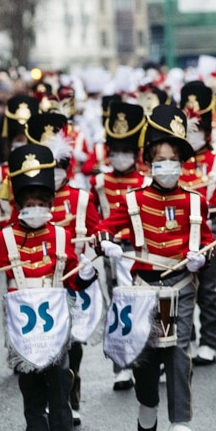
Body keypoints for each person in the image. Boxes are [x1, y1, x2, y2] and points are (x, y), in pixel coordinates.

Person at [99, 105, 214, 431]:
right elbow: (105, 227)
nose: (167, 165)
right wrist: (107, 243)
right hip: (144, 287)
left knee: (177, 351)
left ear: (182, 162)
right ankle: (148, 402)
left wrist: (200, 258)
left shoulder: (195, 202)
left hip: (179, 285)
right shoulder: (132, 199)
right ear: (149, 162)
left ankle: (180, 421)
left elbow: (207, 242)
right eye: (160, 158)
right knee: (146, 351)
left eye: (173, 158)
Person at [0, 143, 96, 431]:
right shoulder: (3, 238)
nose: (35, 209)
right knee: (29, 379)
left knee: (60, 376)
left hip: (56, 318)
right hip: (22, 323)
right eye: (29, 203)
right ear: (19, 205)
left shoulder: (62, 237)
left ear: (50, 204)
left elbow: (74, 281)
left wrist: (87, 271)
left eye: (41, 203)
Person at [25, 112, 101, 426]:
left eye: (58, 168)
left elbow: (97, 233)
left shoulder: (81, 198)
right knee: (41, 344)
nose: (53, 175)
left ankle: (72, 394)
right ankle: (45, 402)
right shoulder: (29, 202)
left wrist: (97, 245)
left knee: (73, 342)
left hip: (73, 279)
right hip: (39, 282)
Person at [95, 100, 150, 391]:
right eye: (114, 151)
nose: (120, 157)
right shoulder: (100, 182)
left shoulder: (146, 181)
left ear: (136, 153)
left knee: (146, 305)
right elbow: (94, 220)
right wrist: (100, 242)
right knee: (118, 308)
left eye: (126, 151)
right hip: (113, 253)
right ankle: (121, 365)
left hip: (141, 251)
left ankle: (151, 357)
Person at [178, 81, 216, 366]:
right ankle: (186, 335)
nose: (194, 135)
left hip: (210, 230)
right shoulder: (174, 160)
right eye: (189, 130)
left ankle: (210, 341)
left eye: (199, 130)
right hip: (180, 232)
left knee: (208, 290)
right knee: (181, 287)